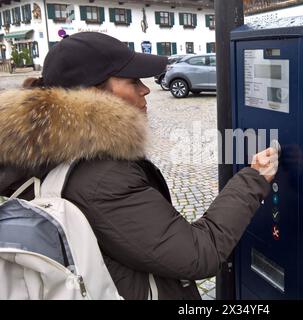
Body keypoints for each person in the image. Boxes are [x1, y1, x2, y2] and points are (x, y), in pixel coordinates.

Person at [0, 32, 278, 300]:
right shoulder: (101, 177)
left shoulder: (43, 153)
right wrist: (252, 179)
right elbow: (198, 254)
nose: (145, 89)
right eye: (133, 81)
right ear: (93, 94)